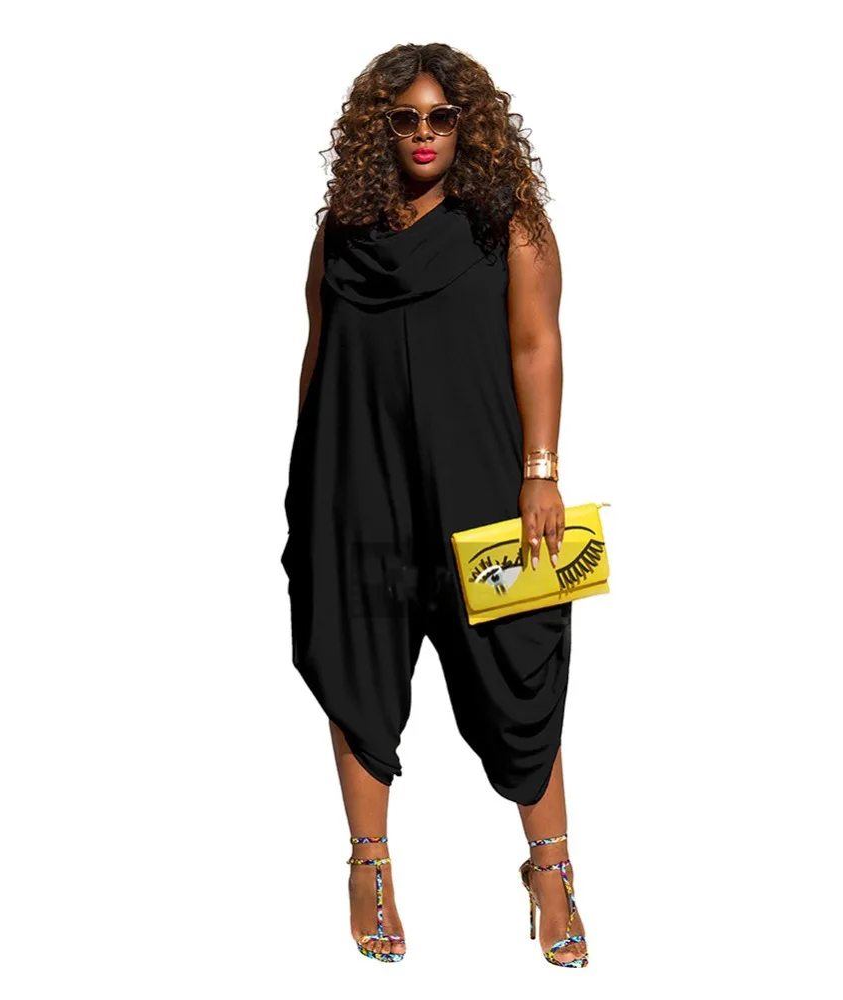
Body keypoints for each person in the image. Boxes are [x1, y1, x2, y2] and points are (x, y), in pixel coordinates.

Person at [280, 42, 588, 968]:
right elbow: (319, 350)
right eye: (405, 118)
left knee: (519, 667)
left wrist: (541, 470)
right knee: (358, 665)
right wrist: (308, 475)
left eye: (441, 117)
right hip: (357, 485)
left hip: (484, 489)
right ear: (378, 129)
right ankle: (369, 865)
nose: (423, 134)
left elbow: (537, 345)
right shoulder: (344, 231)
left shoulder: (509, 225)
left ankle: (552, 871)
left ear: (469, 126)